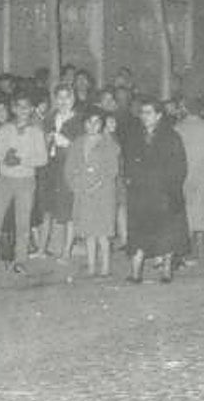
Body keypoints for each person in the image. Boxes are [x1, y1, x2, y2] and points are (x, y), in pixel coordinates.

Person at [125, 98, 189, 284]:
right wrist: (132, 180)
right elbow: (128, 162)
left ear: (159, 115)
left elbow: (180, 167)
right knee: (139, 234)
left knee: (166, 234)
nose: (144, 116)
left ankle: (166, 271)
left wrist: (168, 188)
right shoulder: (134, 136)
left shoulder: (171, 137)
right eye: (142, 112)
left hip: (164, 194)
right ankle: (135, 272)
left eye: (149, 113)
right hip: (141, 193)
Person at [0, 92, 49, 270]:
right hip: (5, 179)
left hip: (26, 180)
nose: (23, 110)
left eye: (26, 107)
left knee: (23, 220)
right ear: (13, 109)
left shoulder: (36, 131)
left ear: (31, 109)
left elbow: (43, 159)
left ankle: (21, 258)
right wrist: (4, 156)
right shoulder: (5, 129)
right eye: (19, 106)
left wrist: (22, 160)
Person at [66, 107, 119, 277]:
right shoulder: (77, 143)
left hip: (103, 192)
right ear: (84, 124)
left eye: (97, 122)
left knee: (103, 232)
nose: (93, 125)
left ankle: (105, 267)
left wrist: (97, 184)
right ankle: (90, 266)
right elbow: (69, 168)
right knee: (89, 231)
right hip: (83, 191)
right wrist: (75, 185)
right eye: (89, 122)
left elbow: (112, 170)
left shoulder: (109, 143)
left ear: (102, 124)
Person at [37, 85, 82, 261]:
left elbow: (81, 148)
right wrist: (46, 140)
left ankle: (66, 252)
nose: (63, 101)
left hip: (68, 168)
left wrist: (67, 144)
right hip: (50, 168)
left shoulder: (79, 121)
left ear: (73, 100)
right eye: (60, 98)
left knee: (68, 210)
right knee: (47, 209)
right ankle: (41, 249)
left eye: (67, 98)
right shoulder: (49, 119)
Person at [175, 96, 204, 264]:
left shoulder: (178, 128)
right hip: (202, 176)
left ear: (184, 108)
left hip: (185, 177)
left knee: (188, 214)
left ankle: (188, 251)